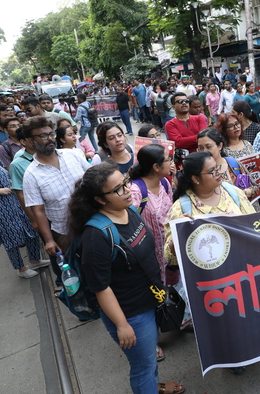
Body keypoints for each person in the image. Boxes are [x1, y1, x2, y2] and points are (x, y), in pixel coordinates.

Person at [68, 162, 185, 394]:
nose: (128, 191)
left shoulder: (129, 210)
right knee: (143, 366)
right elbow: (101, 288)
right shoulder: (97, 236)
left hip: (152, 299)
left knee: (149, 359)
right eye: (118, 189)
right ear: (100, 199)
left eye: (125, 183)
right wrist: (122, 325)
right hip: (132, 314)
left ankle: (155, 386)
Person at [22, 116, 91, 291]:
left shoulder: (73, 154)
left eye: (50, 133)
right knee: (78, 270)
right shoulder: (31, 175)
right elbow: (38, 211)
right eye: (43, 136)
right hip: (65, 232)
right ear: (31, 141)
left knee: (101, 263)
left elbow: (94, 180)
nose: (50, 138)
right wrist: (49, 240)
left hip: (92, 222)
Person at [0, 162, 50, 278]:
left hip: (14, 201)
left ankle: (35, 260)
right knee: (11, 239)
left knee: (30, 228)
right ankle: (21, 268)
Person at [129, 144, 175, 285]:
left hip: (169, 252)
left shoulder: (164, 183)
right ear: (156, 167)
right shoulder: (136, 191)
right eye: (168, 159)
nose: (171, 163)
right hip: (150, 256)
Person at [197, 127, 258, 200]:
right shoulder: (198, 171)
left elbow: (255, 188)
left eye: (208, 147)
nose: (204, 151)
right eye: (201, 148)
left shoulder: (233, 164)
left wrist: (242, 193)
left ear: (220, 146)